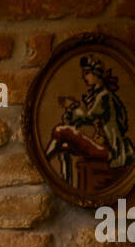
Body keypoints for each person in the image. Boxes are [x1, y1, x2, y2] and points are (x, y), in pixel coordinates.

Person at [44, 53, 134, 186]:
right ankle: (66, 185)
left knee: (60, 130)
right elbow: (78, 120)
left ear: (96, 73)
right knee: (63, 148)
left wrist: (73, 107)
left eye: (87, 73)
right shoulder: (96, 95)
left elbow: (88, 116)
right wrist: (73, 111)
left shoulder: (104, 96)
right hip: (100, 145)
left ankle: (42, 163)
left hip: (110, 150)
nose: (84, 76)